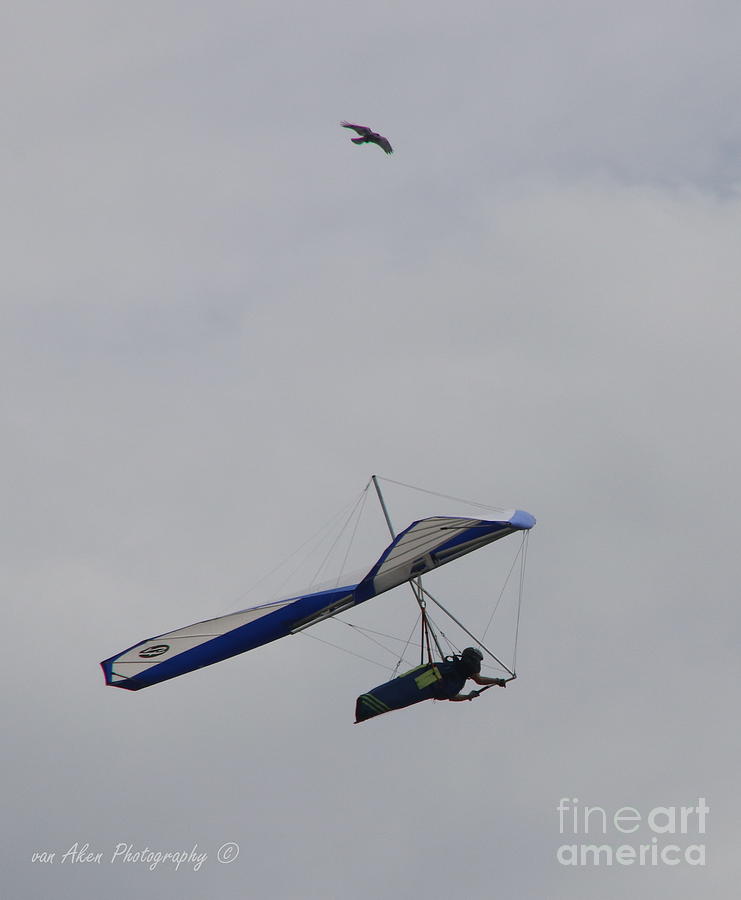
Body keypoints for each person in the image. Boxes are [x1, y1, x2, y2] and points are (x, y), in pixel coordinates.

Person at [354, 646, 507, 722]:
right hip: (429, 678)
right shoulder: (460, 672)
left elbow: (454, 694)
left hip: (435, 684)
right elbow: (477, 681)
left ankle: (367, 706)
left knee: (402, 695)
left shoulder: (462, 676)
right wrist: (497, 681)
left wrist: (469, 695)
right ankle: (367, 705)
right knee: (400, 690)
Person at [431, 647, 508, 702]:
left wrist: (468, 696)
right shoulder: (457, 678)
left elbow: (451, 696)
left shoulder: (450, 666)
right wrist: (497, 681)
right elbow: (479, 680)